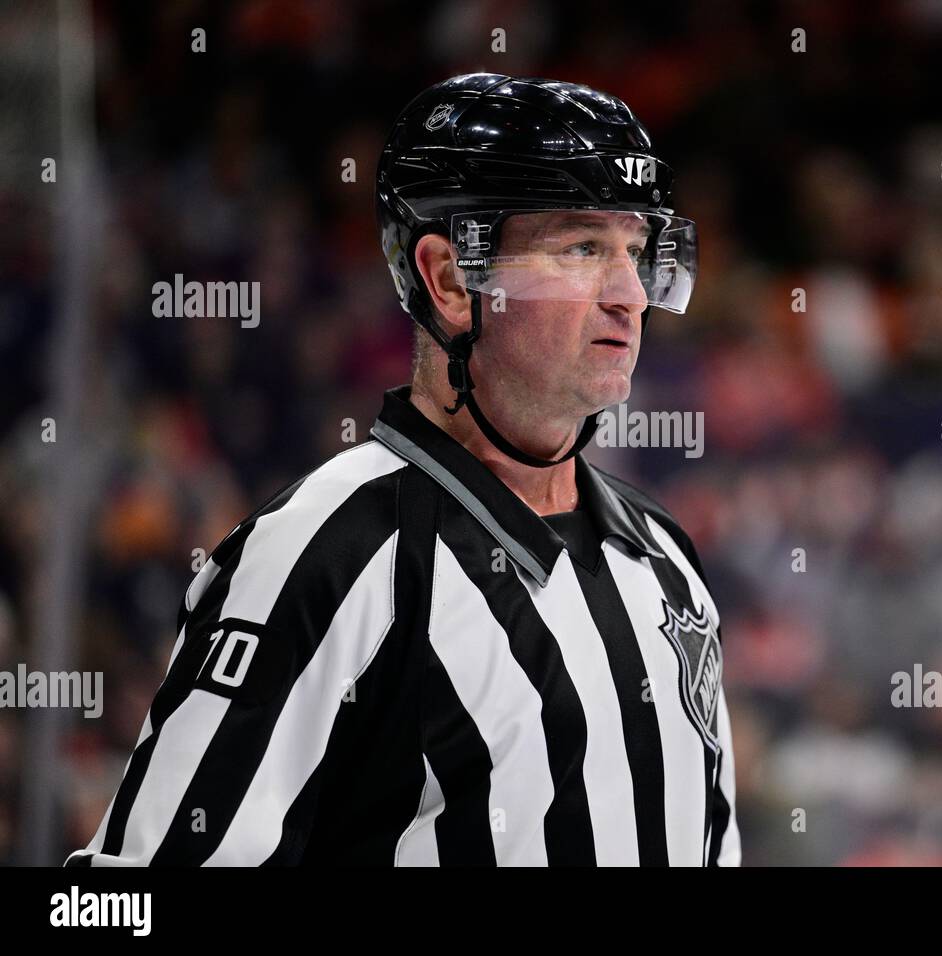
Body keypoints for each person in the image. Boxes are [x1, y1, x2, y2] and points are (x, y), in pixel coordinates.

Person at [65, 73, 738, 867]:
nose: (629, 293)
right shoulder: (322, 555)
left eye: (635, 250)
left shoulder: (663, 560)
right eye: (582, 247)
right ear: (451, 280)